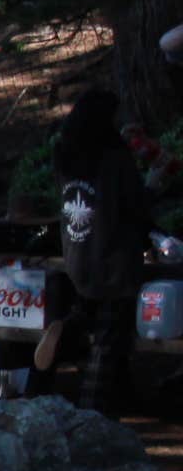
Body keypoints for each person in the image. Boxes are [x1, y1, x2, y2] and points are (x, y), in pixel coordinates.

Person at [51, 86, 153, 413]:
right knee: (109, 341)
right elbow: (135, 204)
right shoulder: (115, 158)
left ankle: (64, 330)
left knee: (91, 316)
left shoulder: (66, 154)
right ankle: (91, 411)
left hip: (78, 256)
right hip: (114, 262)